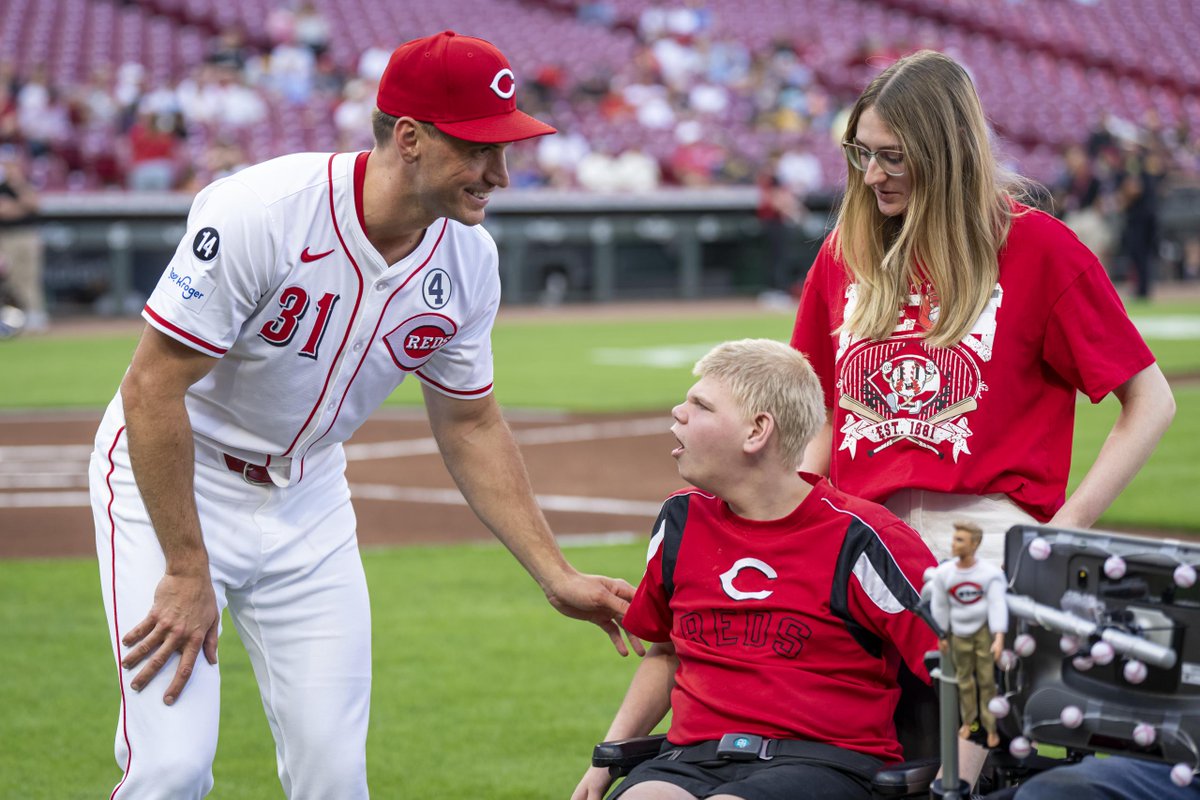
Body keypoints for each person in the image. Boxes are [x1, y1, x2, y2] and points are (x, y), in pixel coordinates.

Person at [87, 30, 641, 800]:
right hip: (182, 482)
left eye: (505, 149)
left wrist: (555, 573)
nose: (500, 174)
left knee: (335, 776)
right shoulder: (265, 211)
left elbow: (470, 423)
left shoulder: (469, 260)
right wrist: (186, 567)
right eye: (480, 149)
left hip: (309, 495)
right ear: (409, 138)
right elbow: (151, 389)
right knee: (172, 768)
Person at [789, 50, 1175, 566]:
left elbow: (1151, 400)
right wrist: (793, 521)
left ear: (947, 151)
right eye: (863, 153)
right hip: (859, 537)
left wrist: (1067, 529)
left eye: (893, 156)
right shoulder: (844, 252)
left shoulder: (1041, 248)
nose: (872, 175)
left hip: (987, 539)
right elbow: (820, 413)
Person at [571, 339, 938, 800]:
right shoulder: (680, 520)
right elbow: (665, 653)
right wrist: (604, 764)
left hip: (825, 763)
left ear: (757, 431)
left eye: (701, 405)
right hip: (693, 758)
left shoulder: (863, 537)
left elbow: (962, 665)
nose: (678, 412)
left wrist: (959, 783)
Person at [929, 520, 1007, 749]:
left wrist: (999, 637)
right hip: (958, 635)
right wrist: (942, 635)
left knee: (987, 683)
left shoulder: (989, 574)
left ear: (974, 544)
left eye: (960, 540)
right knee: (964, 684)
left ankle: (991, 729)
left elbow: (997, 605)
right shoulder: (945, 573)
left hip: (983, 634)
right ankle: (969, 723)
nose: (954, 544)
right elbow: (941, 606)